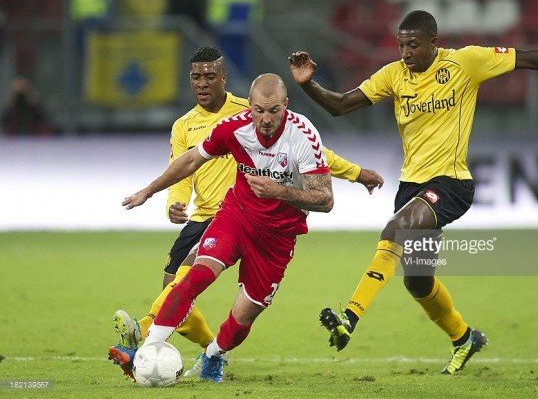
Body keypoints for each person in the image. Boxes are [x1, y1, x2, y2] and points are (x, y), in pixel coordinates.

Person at [288, 10, 538, 375]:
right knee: (417, 281)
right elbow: (341, 105)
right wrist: (307, 85)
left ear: (433, 43)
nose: (406, 53)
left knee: (394, 230)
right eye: (401, 45)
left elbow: (528, 58)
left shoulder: (465, 62)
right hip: (411, 187)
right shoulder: (393, 74)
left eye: (413, 45)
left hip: (451, 184)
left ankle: (349, 318)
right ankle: (465, 338)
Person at [107, 47, 383, 380]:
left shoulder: (303, 136)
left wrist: (280, 190)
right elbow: (190, 160)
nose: (265, 119)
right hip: (235, 217)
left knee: (244, 315)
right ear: (250, 106)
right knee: (194, 276)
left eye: (274, 111)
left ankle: (213, 354)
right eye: (259, 111)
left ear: (286, 106)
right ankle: (147, 350)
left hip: (277, 237)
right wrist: (149, 191)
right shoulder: (232, 127)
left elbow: (325, 200)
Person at [206, 0, 264, 76]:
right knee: (242, 62)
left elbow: (216, 3)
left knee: (224, 61)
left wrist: (212, 25)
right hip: (245, 27)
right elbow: (257, 6)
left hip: (225, 28)